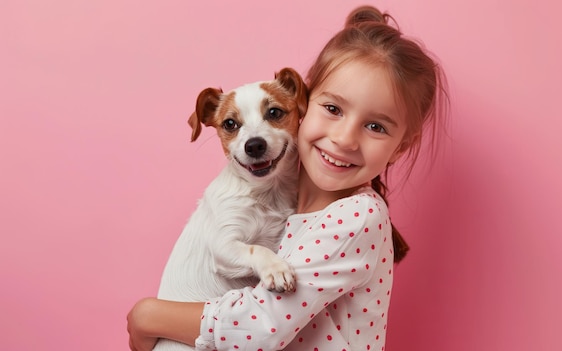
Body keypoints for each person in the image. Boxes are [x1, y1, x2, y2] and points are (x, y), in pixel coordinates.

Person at [127, 5, 447, 351]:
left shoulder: (355, 218)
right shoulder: (289, 210)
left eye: (376, 126)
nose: (344, 139)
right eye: (333, 109)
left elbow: (261, 328)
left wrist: (150, 315)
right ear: (305, 105)